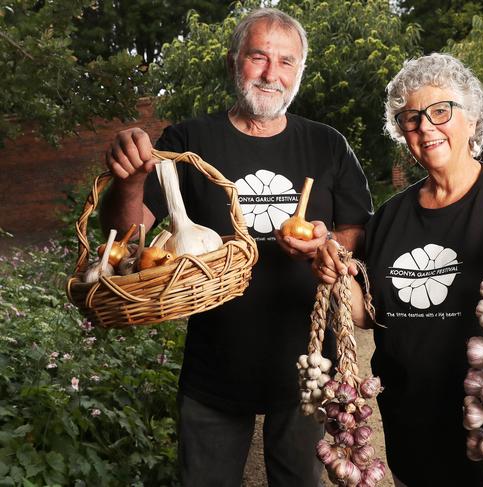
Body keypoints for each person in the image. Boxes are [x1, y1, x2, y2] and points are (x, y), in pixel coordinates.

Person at [100, 8, 372, 486]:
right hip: (215, 371)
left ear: (300, 73)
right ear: (233, 63)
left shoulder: (328, 145)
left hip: (308, 366)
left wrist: (328, 246)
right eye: (259, 57)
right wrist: (131, 181)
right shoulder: (189, 140)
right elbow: (129, 237)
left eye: (286, 62)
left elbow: (356, 229)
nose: (271, 74)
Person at [313, 53, 483, 486]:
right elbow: (369, 314)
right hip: (415, 430)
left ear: (472, 119)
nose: (426, 126)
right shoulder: (389, 217)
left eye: (440, 110)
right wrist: (334, 274)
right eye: (411, 118)